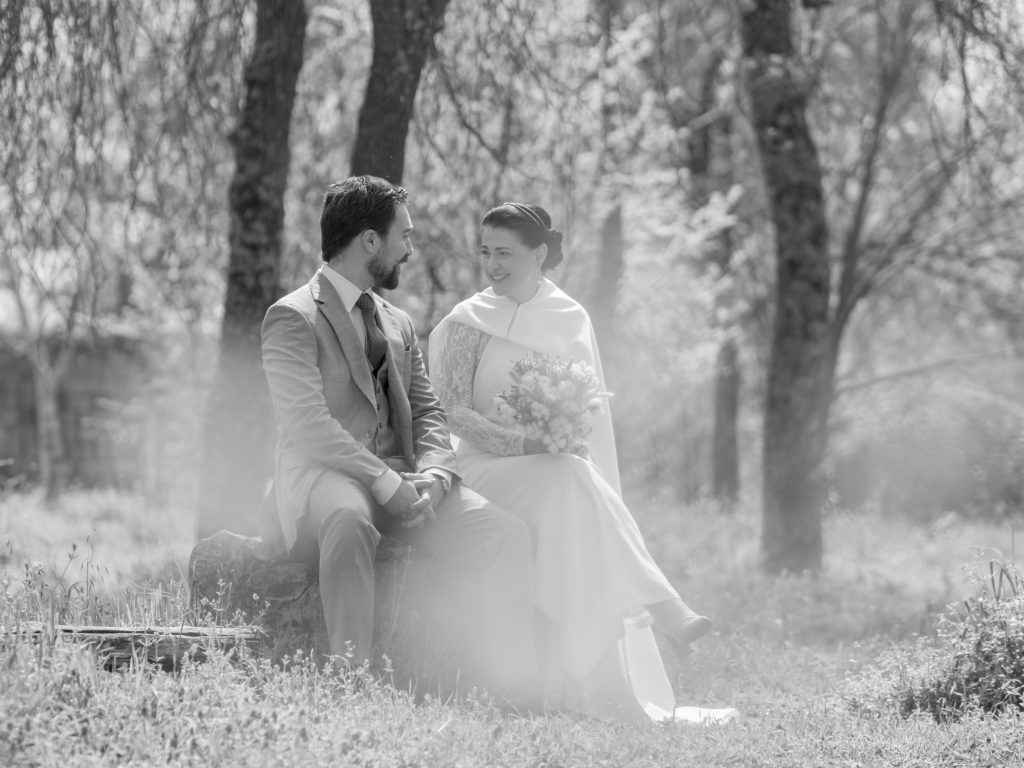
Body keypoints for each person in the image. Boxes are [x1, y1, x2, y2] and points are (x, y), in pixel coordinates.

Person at [428, 202, 712, 722]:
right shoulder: (468, 322)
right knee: (568, 481)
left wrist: (559, 433)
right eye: (486, 252)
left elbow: (587, 408)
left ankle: (601, 683)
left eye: (505, 253)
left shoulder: (569, 317)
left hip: (553, 471)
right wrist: (521, 446)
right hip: (481, 468)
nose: (492, 265)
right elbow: (453, 412)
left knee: (572, 491)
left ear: (538, 255)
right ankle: (662, 604)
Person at [259, 177, 537, 704]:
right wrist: (384, 482)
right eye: (403, 236)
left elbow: (429, 411)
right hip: (326, 474)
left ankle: (513, 689)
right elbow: (308, 424)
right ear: (370, 241)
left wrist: (435, 474)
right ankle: (350, 683)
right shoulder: (291, 317)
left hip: (408, 478)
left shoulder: (398, 321)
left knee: (505, 533)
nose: (409, 250)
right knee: (347, 518)